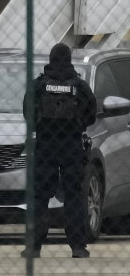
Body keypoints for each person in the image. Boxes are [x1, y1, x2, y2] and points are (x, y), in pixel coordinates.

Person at [22, 43, 96, 259]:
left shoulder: (39, 85)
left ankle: (33, 247)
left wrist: (41, 126)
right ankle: (78, 247)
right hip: (72, 145)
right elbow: (91, 113)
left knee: (40, 196)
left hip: (46, 145)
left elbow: (27, 111)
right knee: (74, 195)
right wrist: (77, 125)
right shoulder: (80, 86)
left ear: (51, 59)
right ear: (69, 59)